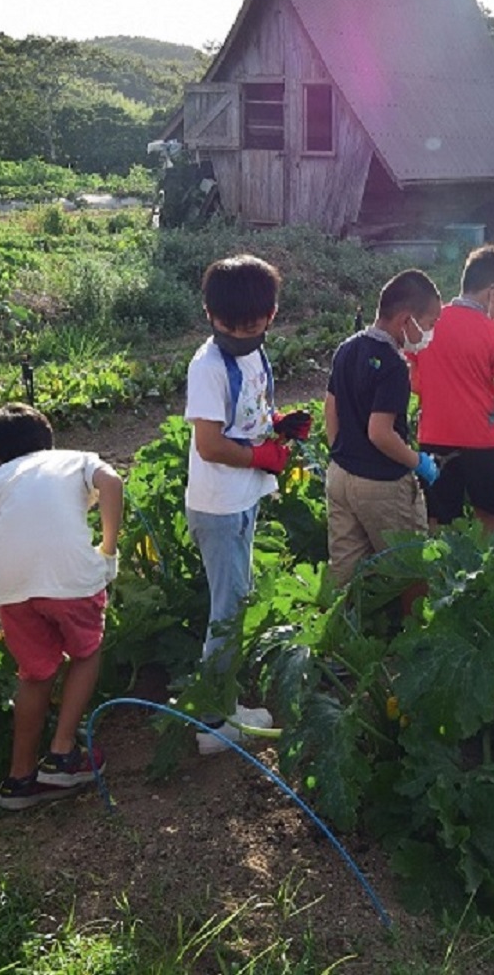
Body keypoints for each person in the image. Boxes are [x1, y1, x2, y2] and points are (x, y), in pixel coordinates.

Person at [0, 403, 123, 809]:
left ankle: (19, 781)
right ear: (48, 442)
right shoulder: (76, 459)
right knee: (86, 653)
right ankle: (62, 753)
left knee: (35, 675)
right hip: (71, 575)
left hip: (12, 587)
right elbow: (112, 482)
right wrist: (107, 550)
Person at [183, 254, 305, 754]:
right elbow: (210, 444)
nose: (243, 333)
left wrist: (277, 425)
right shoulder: (207, 366)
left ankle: (224, 697)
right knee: (227, 611)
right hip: (218, 506)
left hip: (243, 498)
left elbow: (247, 412)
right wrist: (260, 455)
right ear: (210, 315)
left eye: (254, 325)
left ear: (271, 314)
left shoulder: (253, 355)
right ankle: (214, 721)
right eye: (231, 326)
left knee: (237, 599)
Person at [323, 269, 443, 585]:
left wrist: (343, 454)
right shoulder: (393, 365)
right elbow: (380, 432)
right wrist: (418, 462)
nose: (431, 332)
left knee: (345, 574)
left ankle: (341, 631)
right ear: (406, 320)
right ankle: (414, 630)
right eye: (430, 324)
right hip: (381, 484)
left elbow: (330, 408)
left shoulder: (348, 347)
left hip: (340, 477)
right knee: (410, 570)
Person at [410, 244, 494, 533]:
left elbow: (411, 378)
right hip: (483, 441)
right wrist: (492, 415)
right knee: (489, 517)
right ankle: (487, 574)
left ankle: (439, 575)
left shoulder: (428, 324)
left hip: (434, 436)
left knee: (437, 519)